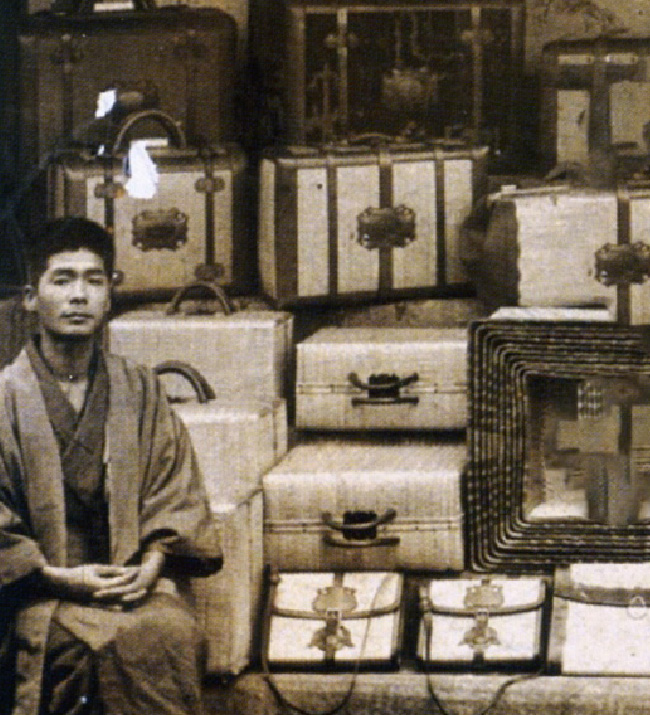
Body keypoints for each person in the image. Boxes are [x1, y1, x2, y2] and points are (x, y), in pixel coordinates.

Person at [0, 216, 223, 715]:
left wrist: (153, 564)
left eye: (93, 280)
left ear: (109, 296)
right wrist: (59, 577)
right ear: (32, 297)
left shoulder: (140, 389)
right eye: (63, 279)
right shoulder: (4, 398)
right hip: (38, 594)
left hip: (131, 583)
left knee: (172, 634)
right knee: (91, 649)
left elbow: (175, 493)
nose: (79, 295)